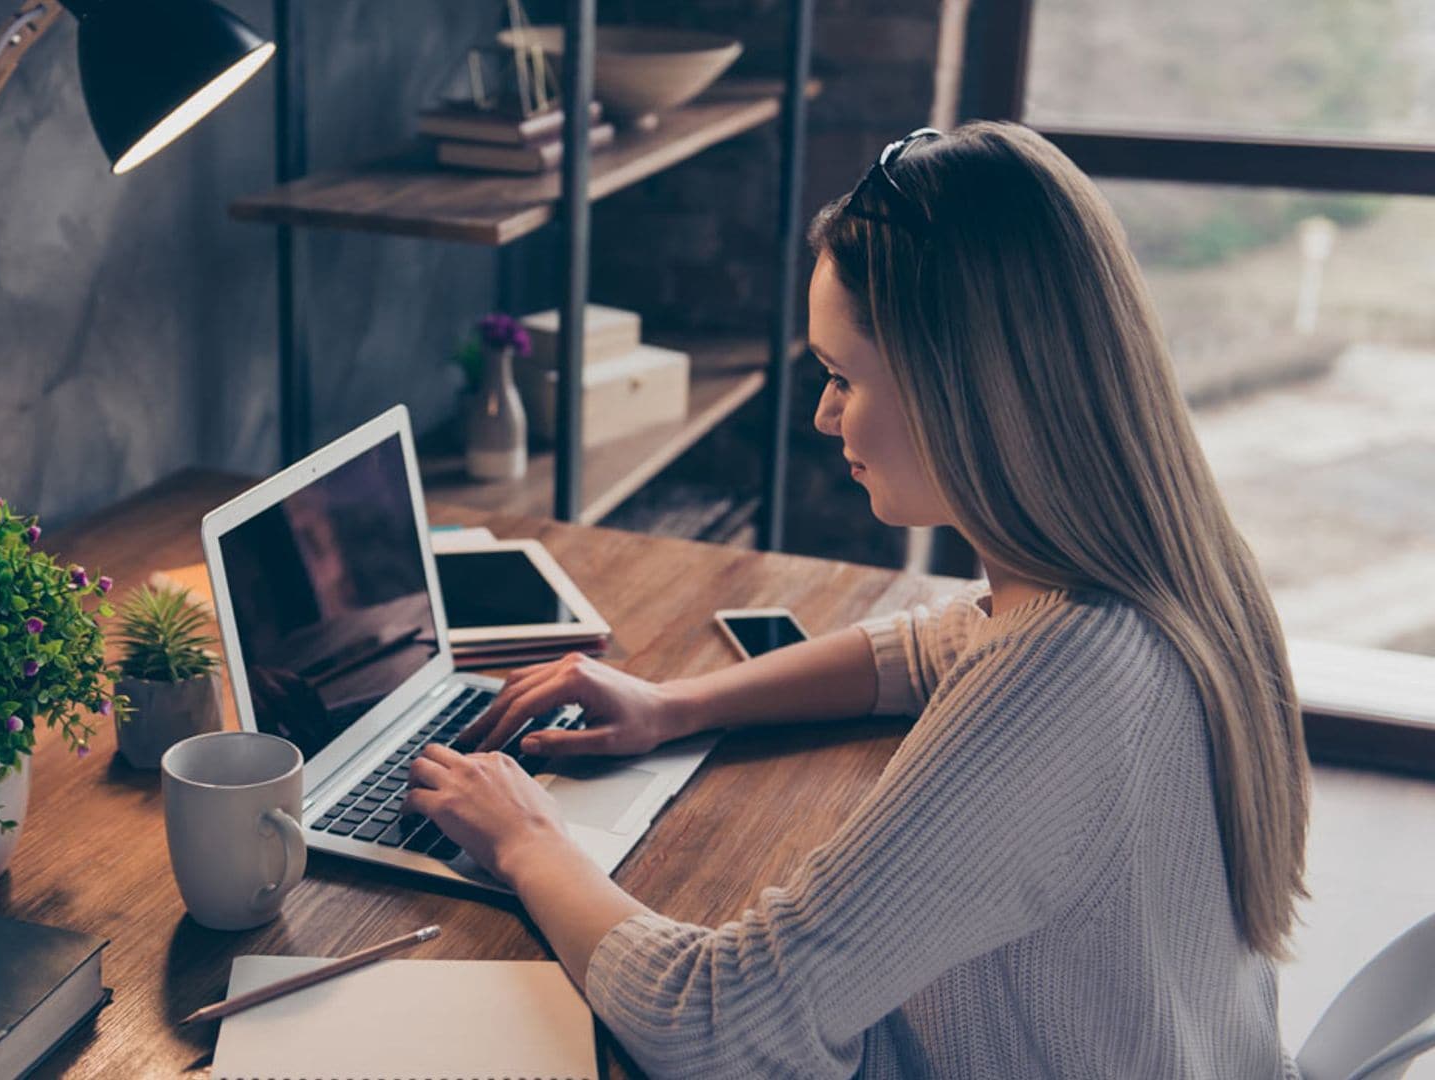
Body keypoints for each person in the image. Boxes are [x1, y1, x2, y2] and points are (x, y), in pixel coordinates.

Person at [403, 121, 1310, 1078]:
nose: (823, 414)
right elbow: (927, 647)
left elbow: (722, 1023)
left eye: (841, 376)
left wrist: (528, 840)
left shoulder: (1065, 670)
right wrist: (678, 704)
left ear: (968, 388)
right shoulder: (1171, 569)